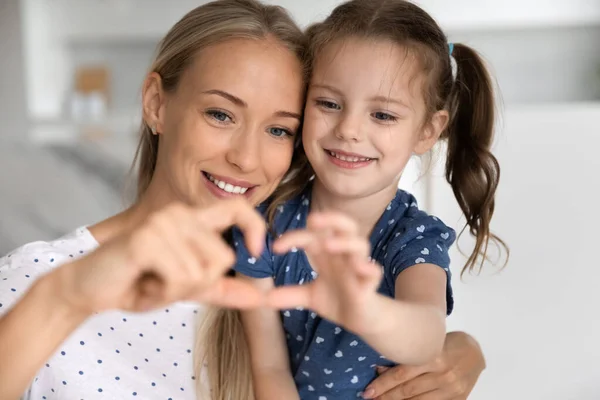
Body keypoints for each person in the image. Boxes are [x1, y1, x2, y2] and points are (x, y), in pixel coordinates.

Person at [0, 1, 487, 400]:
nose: (246, 157)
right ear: (156, 103)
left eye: (279, 129)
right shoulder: (34, 280)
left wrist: (460, 350)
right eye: (220, 114)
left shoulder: (300, 258)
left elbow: (411, 334)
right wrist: (62, 297)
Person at [206, 0, 507, 399]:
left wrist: (364, 310)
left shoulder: (414, 237)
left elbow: (425, 336)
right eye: (329, 104)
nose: (348, 130)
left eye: (382, 115)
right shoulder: (266, 224)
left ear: (427, 131)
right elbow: (269, 368)